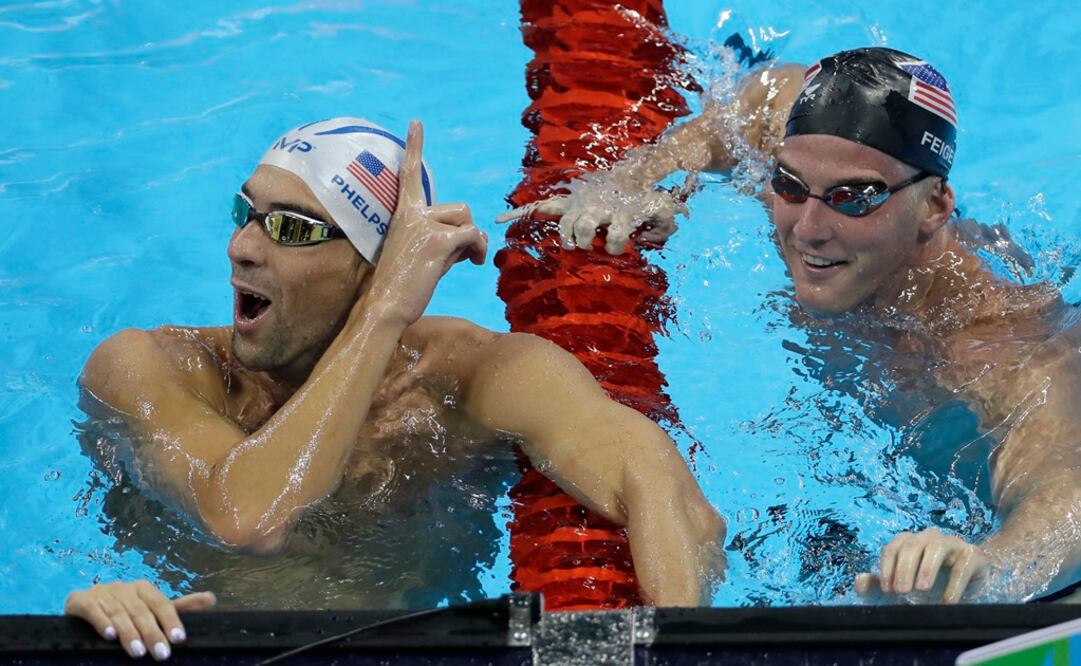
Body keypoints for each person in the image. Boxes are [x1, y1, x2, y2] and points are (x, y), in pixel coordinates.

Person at [65, 117, 723, 659]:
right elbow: (248, 518)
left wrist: (678, 644)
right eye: (247, 212)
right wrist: (381, 311)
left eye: (290, 228)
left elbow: (663, 491)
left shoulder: (465, 376)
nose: (241, 246)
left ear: (372, 266)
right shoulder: (149, 368)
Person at [503, 47, 1081, 604]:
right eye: (788, 185)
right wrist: (632, 183)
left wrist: (982, 571)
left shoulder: (991, 339)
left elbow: (1063, 493)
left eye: (854, 199)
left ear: (934, 206)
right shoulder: (805, 136)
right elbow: (741, 114)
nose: (807, 229)